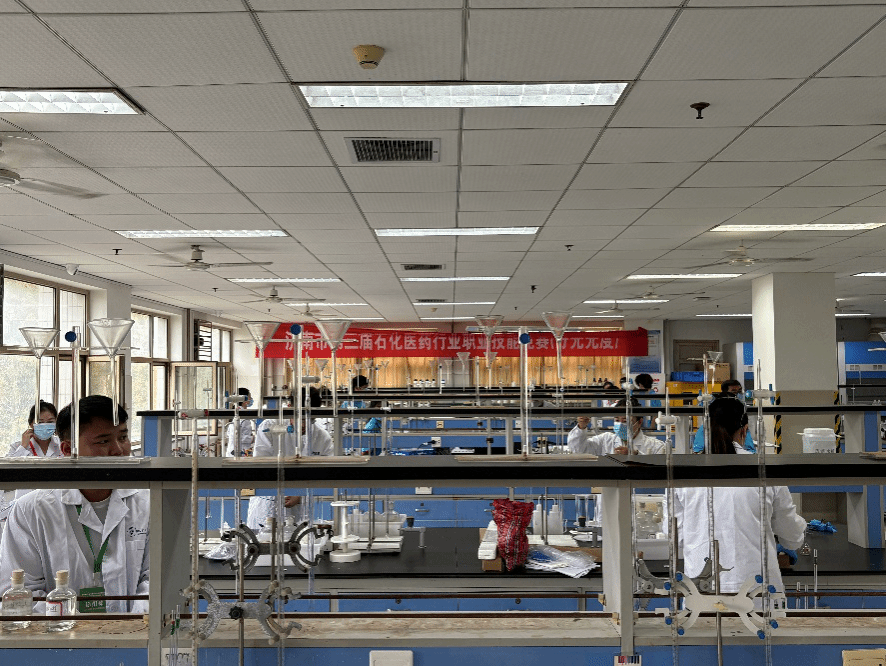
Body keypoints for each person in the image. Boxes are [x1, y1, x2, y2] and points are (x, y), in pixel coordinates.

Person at [0, 396, 149, 614]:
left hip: (135, 632)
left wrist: (126, 626)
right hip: (58, 633)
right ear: (68, 449)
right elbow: (20, 592)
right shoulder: (30, 511)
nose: (119, 450)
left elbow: (156, 579)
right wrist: (75, 626)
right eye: (103, 441)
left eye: (123, 437)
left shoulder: (148, 503)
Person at [675, 398, 806, 597]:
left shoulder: (683, 472)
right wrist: (800, 527)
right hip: (757, 589)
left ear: (705, 429)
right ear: (745, 430)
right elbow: (792, 537)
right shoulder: (765, 470)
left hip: (702, 589)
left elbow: (676, 537)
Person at [246, 418, 332, 531]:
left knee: (298, 538)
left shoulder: (322, 436)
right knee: (263, 538)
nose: (302, 424)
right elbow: (260, 465)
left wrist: (301, 495)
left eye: (308, 420)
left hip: (299, 508)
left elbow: (324, 475)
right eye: (299, 419)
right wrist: (281, 489)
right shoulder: (270, 426)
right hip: (268, 503)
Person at [568, 399, 666, 456]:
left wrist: (636, 455)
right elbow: (579, 451)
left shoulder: (656, 446)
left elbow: (660, 472)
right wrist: (581, 427)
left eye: (625, 421)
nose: (620, 424)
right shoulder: (605, 440)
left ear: (640, 422)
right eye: (617, 420)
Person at [692, 380, 755, 453]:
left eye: (739, 391)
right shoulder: (741, 427)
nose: (737, 394)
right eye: (734, 391)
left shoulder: (709, 426)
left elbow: (697, 452)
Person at [226, 387, 255, 457]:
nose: (251, 399)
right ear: (244, 399)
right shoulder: (241, 415)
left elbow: (230, 433)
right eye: (250, 397)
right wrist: (253, 438)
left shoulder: (238, 412)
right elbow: (239, 437)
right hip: (239, 451)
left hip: (236, 450)